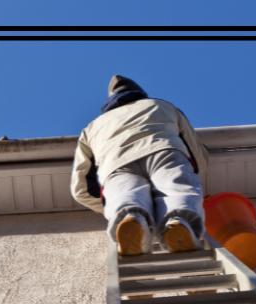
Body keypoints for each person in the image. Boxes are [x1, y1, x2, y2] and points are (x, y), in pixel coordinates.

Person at [71, 75, 209, 256]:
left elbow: (80, 188)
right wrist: (196, 169)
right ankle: (178, 223)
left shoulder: (91, 128)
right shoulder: (163, 105)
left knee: (125, 197)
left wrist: (105, 202)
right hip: (163, 152)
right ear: (140, 94)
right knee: (176, 190)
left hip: (115, 165)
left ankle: (132, 220)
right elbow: (197, 152)